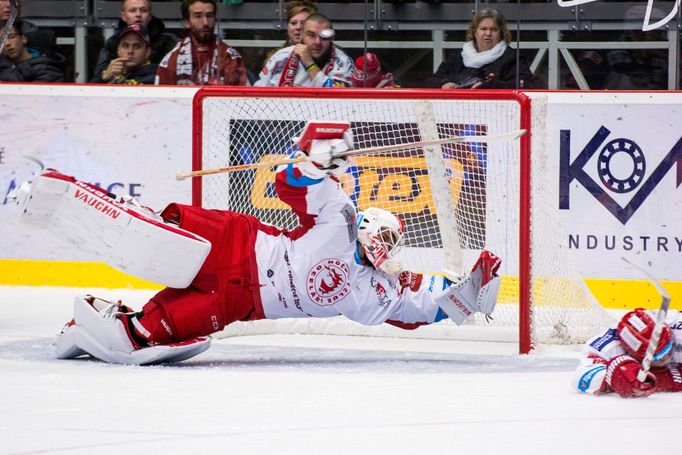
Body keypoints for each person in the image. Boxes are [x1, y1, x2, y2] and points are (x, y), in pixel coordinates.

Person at [10, 121, 502, 365]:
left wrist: (468, 294)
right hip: (234, 245)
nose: (389, 248)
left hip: (236, 302)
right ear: (369, 225)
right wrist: (323, 154)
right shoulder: (341, 218)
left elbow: (419, 307)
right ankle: (66, 186)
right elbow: (295, 181)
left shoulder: (370, 292)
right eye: (387, 235)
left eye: (395, 243)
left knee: (140, 340)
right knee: (154, 226)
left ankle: (89, 323)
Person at [573, 307, 682, 397]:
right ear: (634, 354)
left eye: (669, 346)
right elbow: (580, 378)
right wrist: (615, 377)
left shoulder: (677, 329)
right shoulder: (604, 348)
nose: (667, 357)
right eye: (659, 356)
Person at [424, 8, 534, 89]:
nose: (488, 33)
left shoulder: (512, 58)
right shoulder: (457, 57)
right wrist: (443, 84)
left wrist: (494, 86)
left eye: (494, 29)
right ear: (474, 32)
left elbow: (527, 84)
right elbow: (430, 81)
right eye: (483, 28)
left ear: (501, 33)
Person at [155, 0, 247, 86]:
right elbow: (162, 101)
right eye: (198, 16)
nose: (205, 22)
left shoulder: (230, 57)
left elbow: (243, 99)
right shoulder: (171, 60)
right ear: (187, 22)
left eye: (209, 16)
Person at [254, 13, 353, 88]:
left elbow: (338, 99)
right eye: (311, 35)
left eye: (324, 36)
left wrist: (310, 64)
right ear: (301, 35)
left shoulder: (342, 61)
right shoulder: (281, 57)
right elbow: (257, 95)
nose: (317, 42)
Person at [91, 0, 177, 83]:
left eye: (143, 10)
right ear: (123, 16)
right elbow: (97, 81)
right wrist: (104, 76)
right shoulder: (113, 42)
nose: (138, 14)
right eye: (132, 10)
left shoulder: (169, 42)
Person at [90, 24, 157, 85]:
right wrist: (103, 78)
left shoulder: (156, 77)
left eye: (136, 46)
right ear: (118, 50)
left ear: (147, 52)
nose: (130, 51)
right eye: (125, 46)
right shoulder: (110, 73)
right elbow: (87, 96)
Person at [0, 20, 65, 82]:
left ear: (23, 39)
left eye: (11, 37)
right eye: (2, 40)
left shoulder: (47, 66)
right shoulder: (3, 65)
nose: (7, 43)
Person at [261, 0, 318, 67]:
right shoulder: (275, 58)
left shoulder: (322, 56)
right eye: (293, 23)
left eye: (303, 23)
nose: (298, 27)